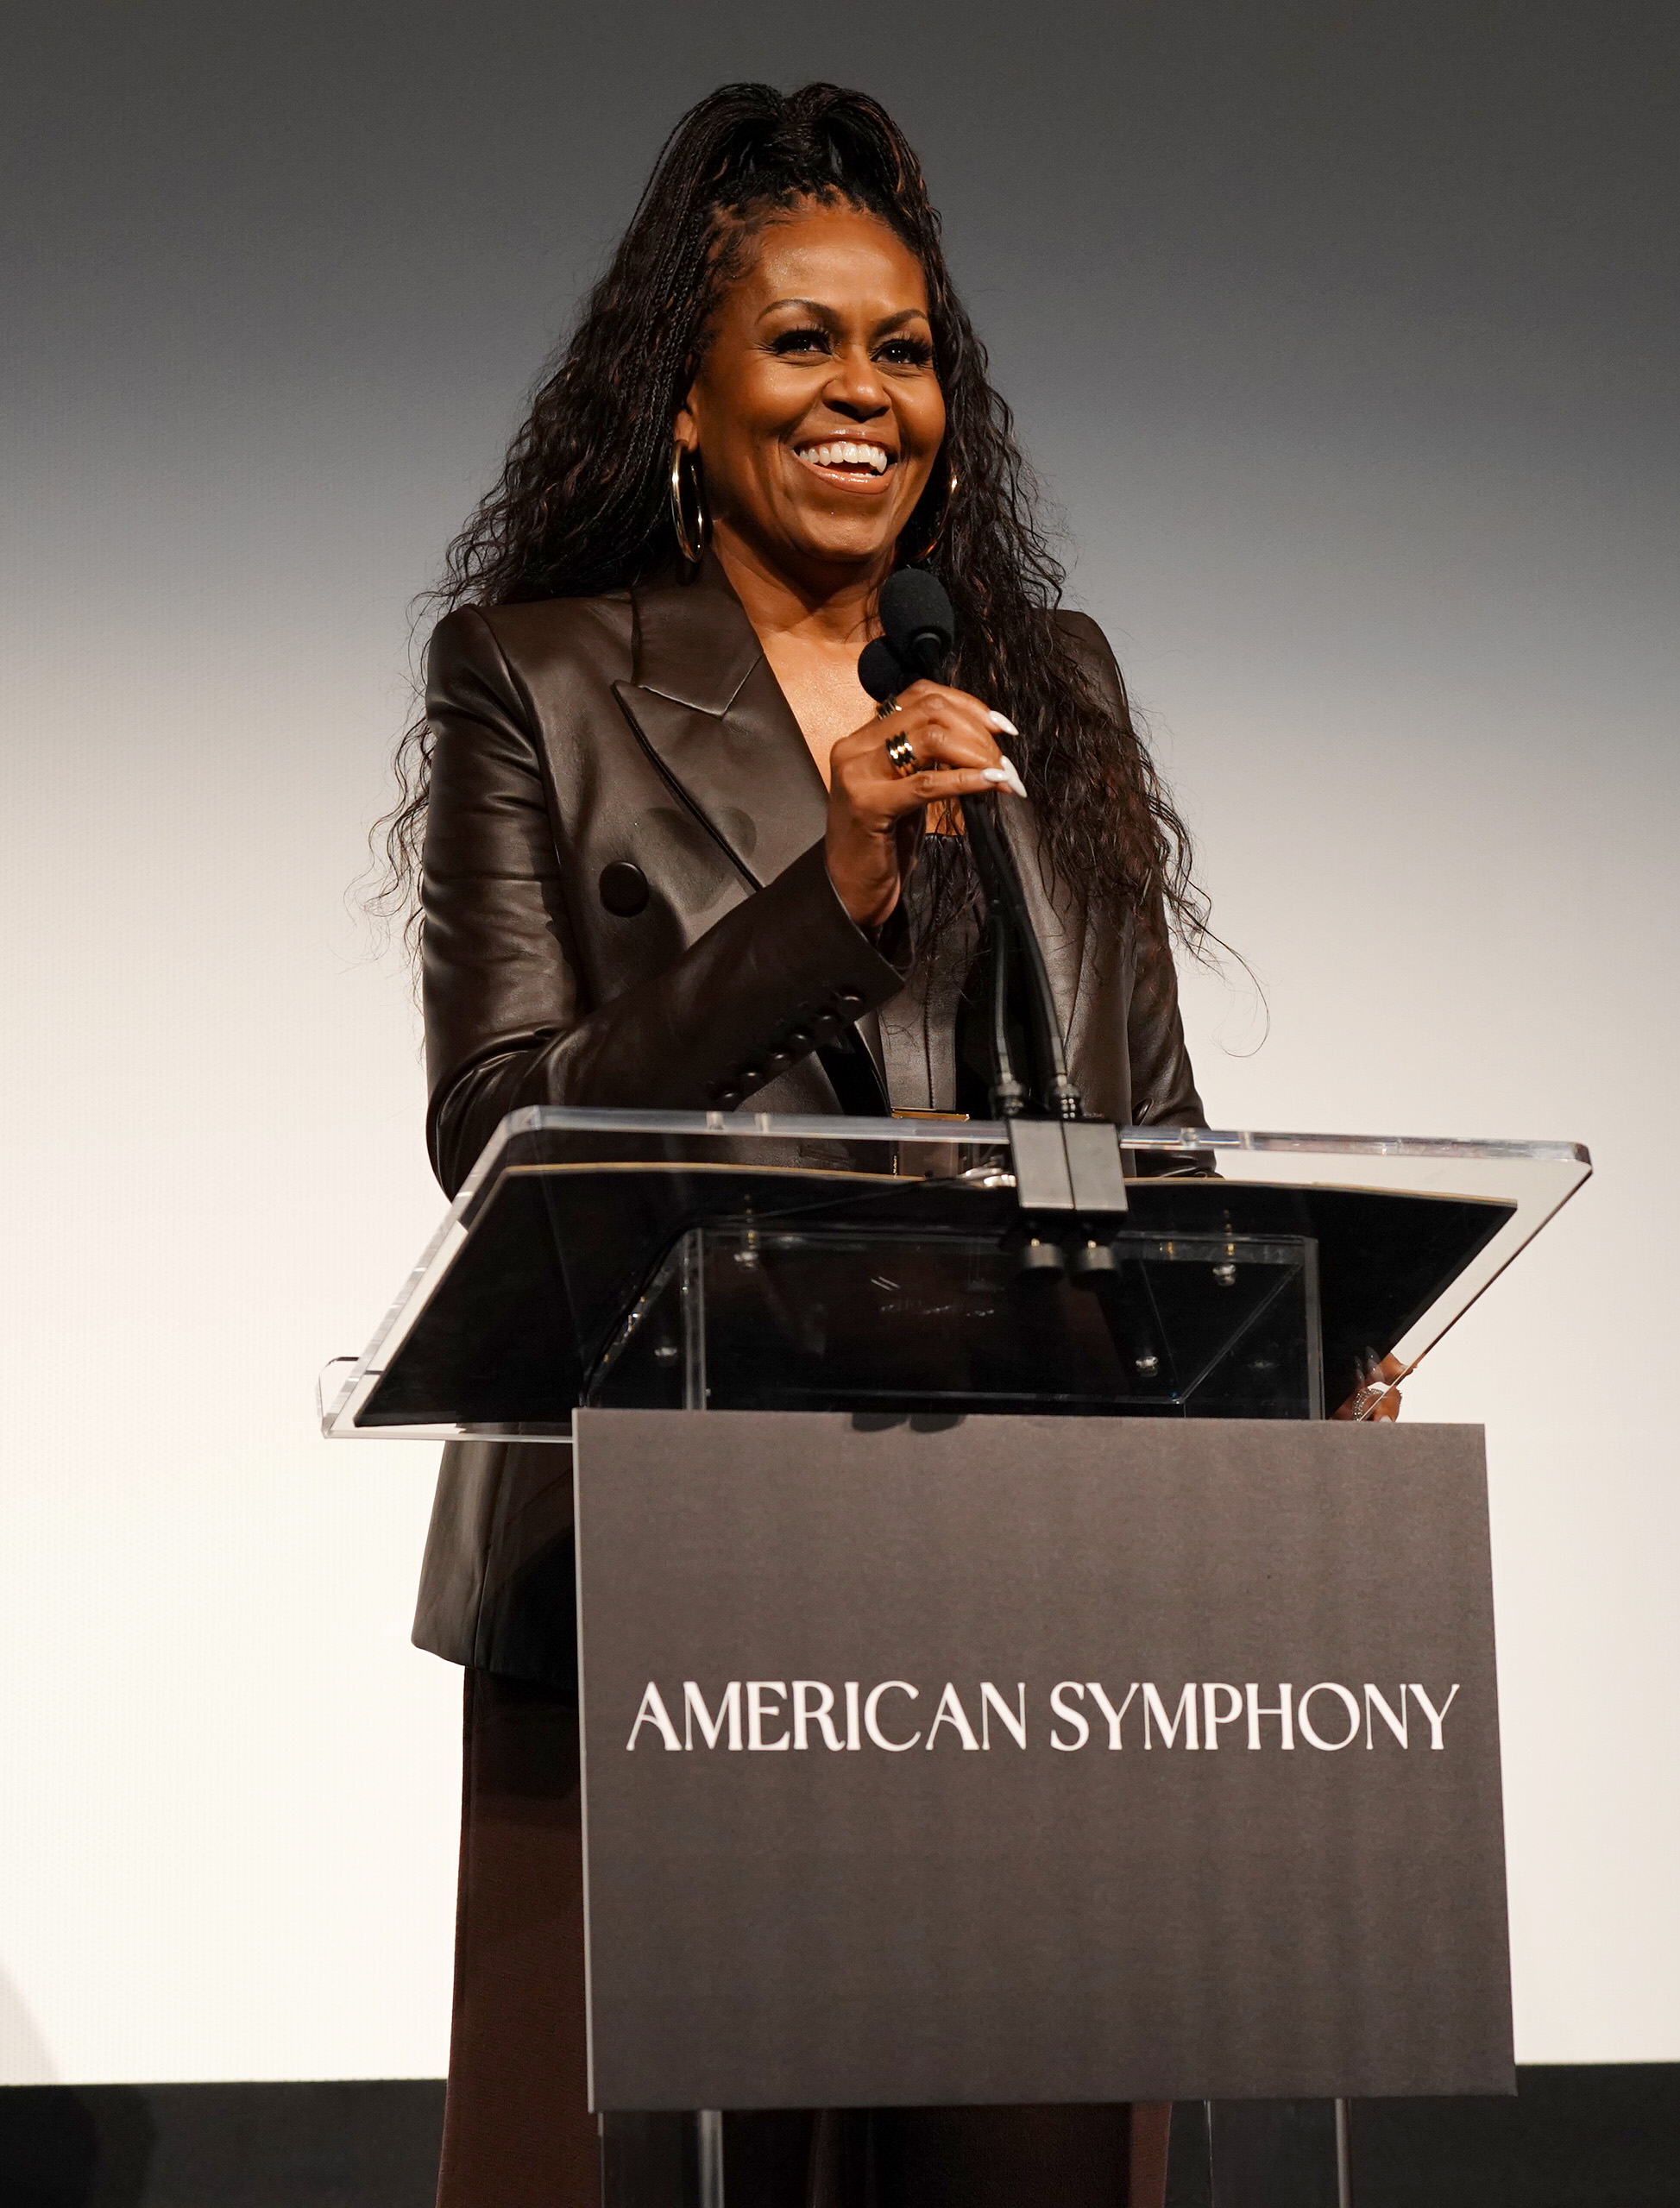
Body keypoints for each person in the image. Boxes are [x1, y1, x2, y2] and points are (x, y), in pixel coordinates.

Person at [380, 79, 1225, 2208]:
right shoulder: (536, 680)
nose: (868, 393)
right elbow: (501, 1131)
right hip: (658, 1579)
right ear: (686, 388)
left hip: (1024, 1594)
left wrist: (1278, 1341)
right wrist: (822, 895)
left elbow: (1162, 1137)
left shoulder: (1048, 689)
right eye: (802, 340)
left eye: (907, 347)